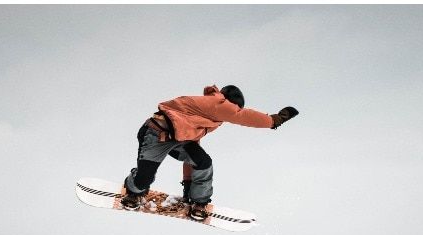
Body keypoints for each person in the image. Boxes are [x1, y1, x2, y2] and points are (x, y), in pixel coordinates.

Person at [122, 85, 298, 220]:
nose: (229, 116)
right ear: (231, 102)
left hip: (180, 139)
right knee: (142, 181)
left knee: (203, 162)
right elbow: (242, 116)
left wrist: (189, 185)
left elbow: (191, 151)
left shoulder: (208, 116)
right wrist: (273, 120)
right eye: (234, 109)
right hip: (155, 134)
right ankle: (134, 189)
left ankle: (199, 201)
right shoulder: (217, 103)